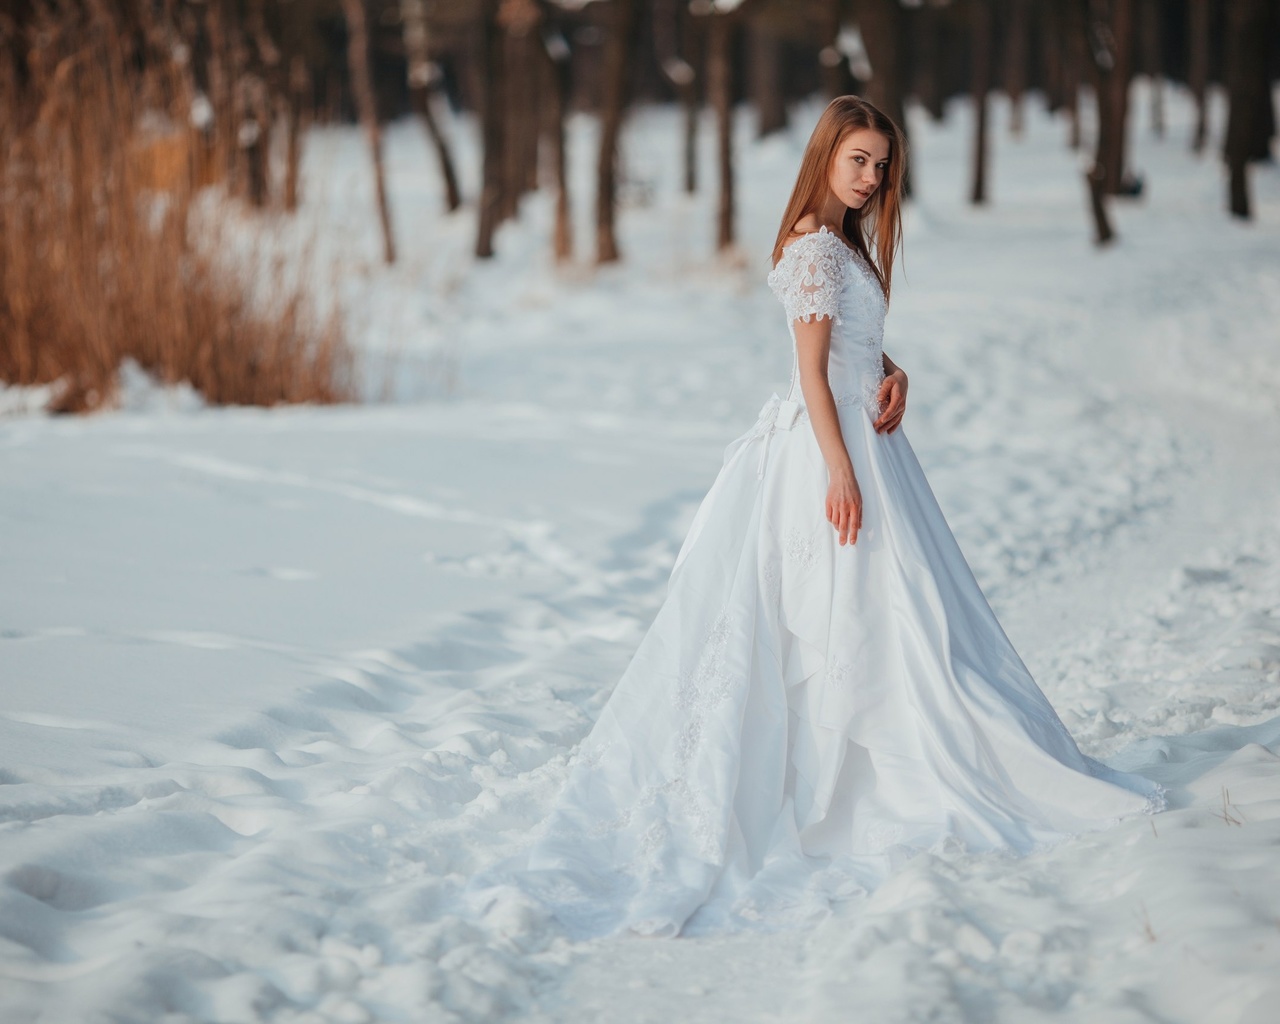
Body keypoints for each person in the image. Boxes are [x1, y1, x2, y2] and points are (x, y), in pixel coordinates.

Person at [467, 96, 1165, 940]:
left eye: (881, 164)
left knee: (902, 612)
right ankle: (840, 775)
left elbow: (845, 346)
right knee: (841, 612)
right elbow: (808, 373)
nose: (871, 178)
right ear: (826, 154)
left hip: (860, 435)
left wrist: (892, 368)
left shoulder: (839, 243)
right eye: (858, 160)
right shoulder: (811, 244)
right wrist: (839, 469)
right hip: (828, 451)